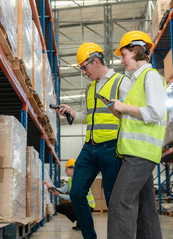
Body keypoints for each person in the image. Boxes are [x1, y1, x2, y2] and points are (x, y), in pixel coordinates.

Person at [54, 42, 131, 239]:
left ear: (95, 61)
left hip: (111, 148)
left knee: (112, 198)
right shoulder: (90, 88)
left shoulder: (121, 81)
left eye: (84, 67)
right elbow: (88, 116)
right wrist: (72, 113)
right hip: (90, 148)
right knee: (76, 192)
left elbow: (131, 116)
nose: (83, 72)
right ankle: (90, 236)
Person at [105, 30, 167, 239]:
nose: (122, 61)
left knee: (120, 202)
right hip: (136, 152)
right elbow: (138, 117)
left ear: (136, 51)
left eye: (124, 55)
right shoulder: (136, 81)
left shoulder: (151, 77)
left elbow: (156, 112)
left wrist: (124, 107)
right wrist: (119, 111)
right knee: (146, 208)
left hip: (141, 153)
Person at [43, 158, 95, 230]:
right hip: (81, 204)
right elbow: (62, 190)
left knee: (71, 206)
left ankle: (83, 222)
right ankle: (80, 223)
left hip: (88, 206)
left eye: (66, 169)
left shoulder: (80, 180)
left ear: (72, 169)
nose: (65, 171)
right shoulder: (71, 180)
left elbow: (73, 197)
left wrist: (60, 195)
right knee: (59, 208)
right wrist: (49, 186)